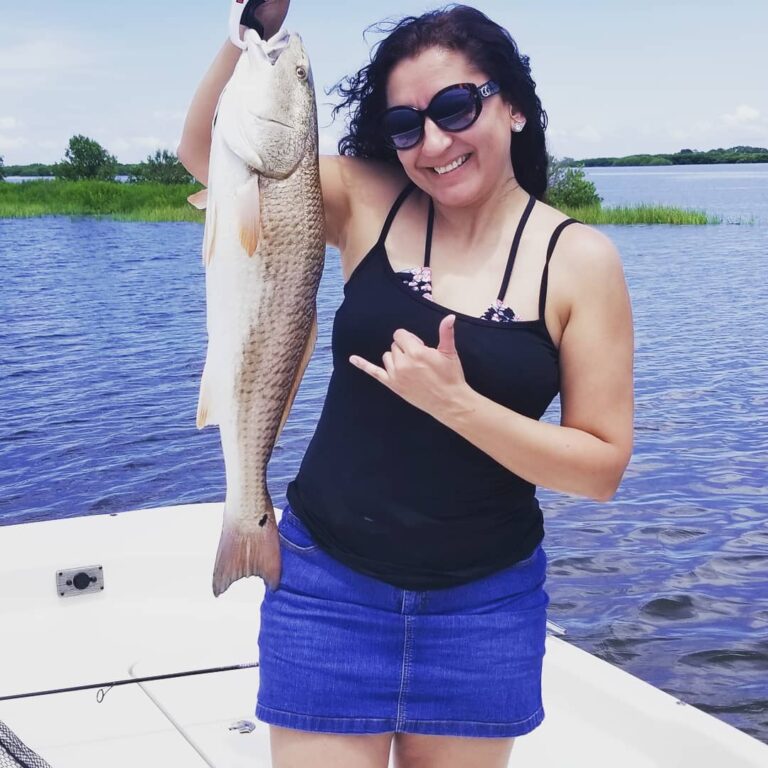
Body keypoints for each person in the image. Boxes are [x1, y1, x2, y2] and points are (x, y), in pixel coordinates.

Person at [178, 2, 634, 766]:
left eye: (456, 108)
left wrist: (457, 405)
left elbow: (601, 467)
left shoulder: (579, 261)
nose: (434, 142)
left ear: (514, 105)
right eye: (404, 124)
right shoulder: (368, 199)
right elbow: (208, 154)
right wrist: (248, 39)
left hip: (483, 611)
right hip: (328, 587)